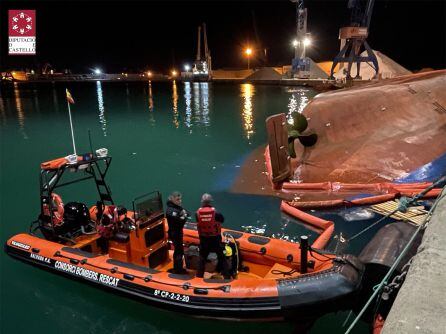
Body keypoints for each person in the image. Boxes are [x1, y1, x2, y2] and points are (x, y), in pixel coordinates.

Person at [195, 193, 230, 279]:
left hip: (203, 239)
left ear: (202, 202)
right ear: (211, 202)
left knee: (202, 257)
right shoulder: (216, 213)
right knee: (221, 257)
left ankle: (199, 276)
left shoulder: (197, 213)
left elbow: (198, 221)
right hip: (215, 238)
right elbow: (222, 220)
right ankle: (227, 276)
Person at [166, 191, 189, 274]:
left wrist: (184, 215)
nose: (180, 201)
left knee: (179, 250)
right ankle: (177, 269)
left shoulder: (177, 207)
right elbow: (179, 221)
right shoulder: (170, 210)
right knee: (179, 251)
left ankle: (178, 268)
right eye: (178, 199)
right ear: (172, 199)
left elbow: (187, 213)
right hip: (174, 233)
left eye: (180, 199)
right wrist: (183, 216)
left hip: (178, 231)